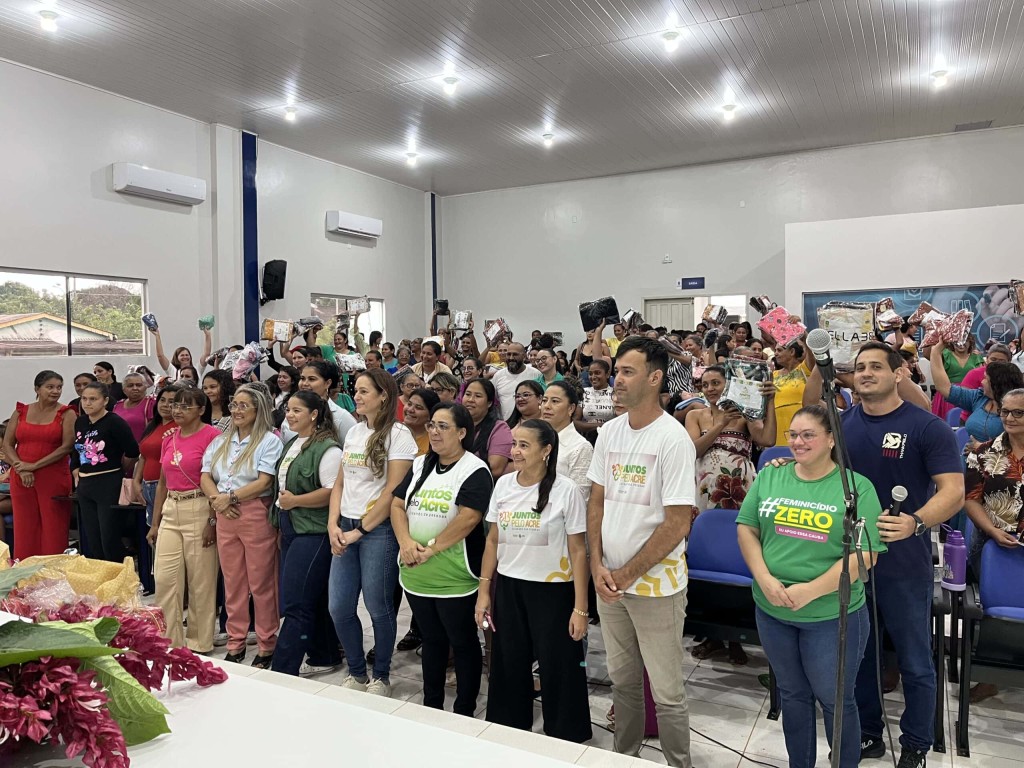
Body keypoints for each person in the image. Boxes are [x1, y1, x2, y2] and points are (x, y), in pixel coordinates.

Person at [737, 405, 886, 768]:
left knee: (836, 701)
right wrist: (764, 578)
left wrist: (811, 591)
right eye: (793, 435)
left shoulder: (856, 488)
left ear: (831, 440)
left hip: (830, 616)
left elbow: (866, 556)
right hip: (773, 609)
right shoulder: (771, 475)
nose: (797, 442)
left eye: (808, 435)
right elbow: (747, 527)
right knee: (793, 695)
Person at [840, 342, 964, 767]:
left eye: (876, 366)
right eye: (860, 367)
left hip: (904, 561)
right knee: (861, 656)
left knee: (914, 659)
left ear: (898, 374)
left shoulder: (927, 427)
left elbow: (953, 491)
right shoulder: (841, 425)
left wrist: (917, 522)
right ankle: (868, 734)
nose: (866, 373)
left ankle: (916, 743)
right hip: (853, 557)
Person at [587, 336, 697, 767]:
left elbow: (678, 522)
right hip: (609, 581)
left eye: (627, 372)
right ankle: (625, 756)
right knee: (623, 682)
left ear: (654, 378)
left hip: (655, 587)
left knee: (667, 691)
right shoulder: (610, 431)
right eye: (616, 371)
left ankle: (678, 762)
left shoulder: (672, 439)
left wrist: (625, 574)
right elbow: (596, 502)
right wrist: (597, 564)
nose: (617, 379)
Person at [478, 419, 591, 742]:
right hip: (510, 587)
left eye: (524, 445)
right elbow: (492, 541)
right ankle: (510, 731)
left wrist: (580, 608)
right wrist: (484, 591)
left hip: (553, 591)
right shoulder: (504, 485)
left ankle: (565, 736)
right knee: (509, 663)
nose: (515, 451)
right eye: (514, 444)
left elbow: (578, 551)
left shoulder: (565, 490)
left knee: (559, 666)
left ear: (546, 451)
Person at [391, 402, 493, 715]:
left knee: (462, 642)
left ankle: (464, 710)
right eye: (432, 425)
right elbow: (396, 505)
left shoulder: (475, 470)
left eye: (443, 426)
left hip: (455, 576)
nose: (434, 431)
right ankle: (431, 705)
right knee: (432, 640)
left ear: (462, 433)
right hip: (416, 573)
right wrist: (406, 542)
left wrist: (431, 549)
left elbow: (469, 518)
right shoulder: (420, 464)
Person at [328, 369, 417, 696]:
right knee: (339, 607)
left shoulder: (399, 435)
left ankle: (381, 675)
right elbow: (340, 483)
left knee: (378, 607)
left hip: (378, 530)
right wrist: (333, 524)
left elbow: (393, 492)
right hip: (345, 526)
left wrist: (361, 530)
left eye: (365, 391)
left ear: (384, 396)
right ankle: (356, 672)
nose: (357, 396)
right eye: (356, 390)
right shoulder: (354, 432)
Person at [201, 385, 283, 668]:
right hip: (224, 513)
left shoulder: (269, 441)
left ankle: (266, 642)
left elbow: (264, 481)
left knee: (261, 582)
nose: (236, 410)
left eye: (243, 405)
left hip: (254, 512)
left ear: (258, 410)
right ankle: (235, 641)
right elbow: (205, 475)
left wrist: (230, 498)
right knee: (233, 582)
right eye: (234, 404)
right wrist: (218, 501)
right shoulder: (220, 441)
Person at [270, 391, 345, 677]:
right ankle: (324, 654)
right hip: (291, 525)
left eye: (296, 410)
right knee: (313, 596)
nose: (289, 415)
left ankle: (282, 670)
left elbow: (332, 492)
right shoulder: (293, 443)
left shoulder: (328, 449)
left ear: (314, 414)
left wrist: (296, 501)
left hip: (313, 531)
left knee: (296, 603)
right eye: (288, 409)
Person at [961, 387, 1024, 703]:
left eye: (1018, 413)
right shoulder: (983, 453)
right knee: (989, 611)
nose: (1009, 418)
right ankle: (989, 676)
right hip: (993, 545)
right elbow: (970, 500)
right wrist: (992, 531)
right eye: (1005, 412)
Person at [148, 387, 222, 653]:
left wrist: (212, 521)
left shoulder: (213, 437)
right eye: (174, 405)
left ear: (201, 410)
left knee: (201, 580)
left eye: (184, 406)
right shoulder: (169, 437)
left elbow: (218, 481)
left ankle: (200, 641)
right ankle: (169, 639)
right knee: (165, 578)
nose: (177, 410)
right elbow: (161, 483)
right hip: (172, 507)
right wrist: (155, 522)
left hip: (200, 505)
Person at [3, 371, 75, 559]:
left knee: (53, 527)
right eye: (50, 387)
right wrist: (20, 467)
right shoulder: (21, 412)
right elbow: (8, 444)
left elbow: (67, 447)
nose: (55, 391)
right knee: (24, 526)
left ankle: (52, 572)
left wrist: (33, 466)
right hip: (21, 476)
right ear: (37, 389)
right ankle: (25, 571)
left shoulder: (67, 413)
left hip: (53, 477)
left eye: (59, 387)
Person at [686, 365, 777, 511]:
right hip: (704, 487)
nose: (710, 389)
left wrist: (771, 401)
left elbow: (768, 440)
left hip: (739, 485)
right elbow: (693, 451)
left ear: (729, 384)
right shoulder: (694, 415)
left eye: (715, 383)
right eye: (705, 385)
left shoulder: (744, 413)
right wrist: (721, 424)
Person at [72, 382, 140, 562]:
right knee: (93, 537)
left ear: (105, 400)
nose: (87, 403)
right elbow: (76, 449)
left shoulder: (114, 422)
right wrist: (75, 470)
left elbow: (133, 450)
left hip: (108, 482)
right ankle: (100, 574)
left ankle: (118, 573)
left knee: (109, 537)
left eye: (93, 399)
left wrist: (120, 468)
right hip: (85, 484)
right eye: (84, 399)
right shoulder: (80, 421)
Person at [930, 341, 1023, 443]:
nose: (982, 382)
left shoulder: (1016, 409)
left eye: (986, 379)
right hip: (970, 453)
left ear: (997, 384)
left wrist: (982, 447)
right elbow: (944, 388)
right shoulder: (979, 397)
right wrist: (936, 351)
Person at [282, 360, 357, 446]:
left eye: (312, 379)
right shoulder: (291, 413)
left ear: (327, 383)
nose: (305, 383)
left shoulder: (341, 418)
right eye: (302, 378)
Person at [134, 384, 179, 525]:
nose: (165, 405)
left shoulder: (179, 428)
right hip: (146, 486)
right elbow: (143, 456)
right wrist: (136, 481)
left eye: (171, 401)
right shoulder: (152, 426)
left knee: (164, 530)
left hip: (165, 487)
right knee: (152, 530)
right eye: (162, 400)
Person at [540, 381, 593, 499]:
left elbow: (580, 498)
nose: (547, 406)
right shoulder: (536, 439)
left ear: (571, 408)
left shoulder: (581, 447)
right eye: (544, 400)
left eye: (555, 401)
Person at [462, 378, 513, 479]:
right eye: (467, 394)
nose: (470, 400)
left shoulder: (499, 428)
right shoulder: (454, 423)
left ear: (489, 403)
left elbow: (495, 469)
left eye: (478, 396)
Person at [925, 337, 983, 419]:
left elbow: (981, 377)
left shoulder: (976, 356)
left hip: (969, 395)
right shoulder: (945, 354)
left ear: (970, 342)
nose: (961, 344)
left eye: (964, 341)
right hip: (947, 391)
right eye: (957, 341)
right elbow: (927, 354)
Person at [772, 341, 813, 446]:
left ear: (792, 352)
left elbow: (812, 354)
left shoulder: (804, 369)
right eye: (775, 350)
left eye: (779, 350)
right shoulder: (772, 375)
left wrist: (804, 337)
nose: (775, 353)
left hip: (801, 424)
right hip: (777, 427)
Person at [492, 343, 540, 420]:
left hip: (530, 423)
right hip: (505, 424)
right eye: (508, 354)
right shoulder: (498, 375)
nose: (511, 358)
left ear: (524, 356)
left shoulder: (536, 374)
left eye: (515, 354)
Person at [576, 360, 615, 440]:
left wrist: (591, 425)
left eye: (597, 373)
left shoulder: (615, 393)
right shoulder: (584, 392)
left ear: (607, 374)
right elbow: (576, 422)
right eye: (590, 374)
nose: (593, 377)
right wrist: (602, 425)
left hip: (611, 437)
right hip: (588, 439)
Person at [113, 371, 156, 442]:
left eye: (139, 385)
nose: (135, 388)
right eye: (130, 385)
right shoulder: (118, 405)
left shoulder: (151, 404)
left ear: (145, 387)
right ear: (124, 389)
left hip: (141, 446)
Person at [403, 388, 440, 456]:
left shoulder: (435, 440)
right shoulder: (392, 431)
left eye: (418, 407)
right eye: (409, 404)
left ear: (430, 415)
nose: (410, 410)